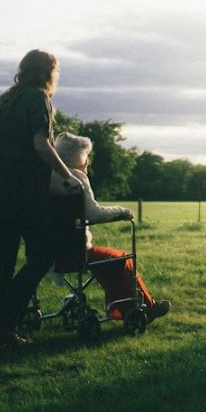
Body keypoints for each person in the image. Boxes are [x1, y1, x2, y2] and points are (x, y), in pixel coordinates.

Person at [0, 50, 81, 346]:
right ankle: (5, 318)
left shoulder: (1, 102)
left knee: (4, 262)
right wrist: (67, 175)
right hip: (22, 194)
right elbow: (41, 144)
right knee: (41, 256)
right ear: (49, 73)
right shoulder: (38, 98)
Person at [50, 132, 170, 322]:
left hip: (50, 251)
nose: (88, 161)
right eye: (86, 156)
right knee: (121, 259)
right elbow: (94, 214)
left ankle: (123, 308)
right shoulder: (76, 178)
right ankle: (144, 307)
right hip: (76, 251)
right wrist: (122, 211)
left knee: (108, 261)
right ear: (76, 156)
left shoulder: (49, 177)